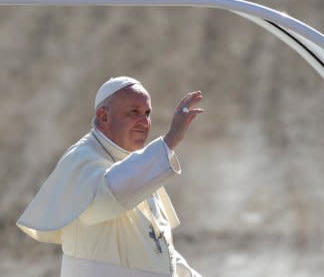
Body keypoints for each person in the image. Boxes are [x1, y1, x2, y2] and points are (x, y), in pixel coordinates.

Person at [16, 76, 204, 277]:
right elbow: (107, 198)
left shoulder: (135, 163)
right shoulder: (82, 159)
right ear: (103, 116)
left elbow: (156, 249)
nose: (144, 122)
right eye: (134, 112)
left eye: (147, 113)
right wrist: (168, 142)